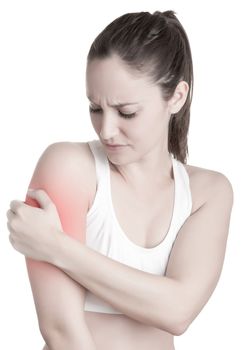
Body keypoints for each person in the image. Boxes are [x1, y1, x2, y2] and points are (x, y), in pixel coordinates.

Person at [7, 10, 234, 350]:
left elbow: (178, 311)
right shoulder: (69, 167)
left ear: (176, 97)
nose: (106, 130)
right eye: (95, 108)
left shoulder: (208, 193)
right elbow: (61, 331)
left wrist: (56, 247)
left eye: (126, 112)